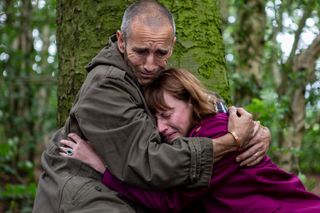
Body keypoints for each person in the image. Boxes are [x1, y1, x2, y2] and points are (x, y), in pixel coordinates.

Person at [32, 1, 270, 212]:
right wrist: (234, 140)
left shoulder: (146, 75)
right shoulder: (106, 85)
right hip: (83, 189)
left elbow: (205, 103)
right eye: (141, 52)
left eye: (160, 53)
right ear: (122, 41)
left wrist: (254, 130)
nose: (150, 64)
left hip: (119, 187)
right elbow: (148, 162)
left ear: (172, 46)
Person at [62, 68, 320, 213]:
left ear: (190, 100)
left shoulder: (219, 130)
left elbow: (170, 202)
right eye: (155, 121)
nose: (161, 128)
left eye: (167, 114)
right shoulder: (196, 136)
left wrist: (102, 168)